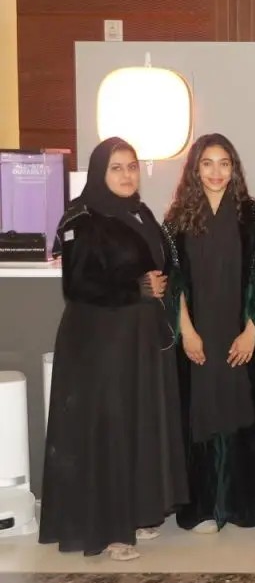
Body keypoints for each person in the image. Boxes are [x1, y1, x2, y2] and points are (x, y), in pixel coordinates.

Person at [39, 137, 187, 561]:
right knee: (109, 429)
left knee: (135, 426)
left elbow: (160, 263)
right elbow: (77, 285)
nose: (127, 175)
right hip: (98, 343)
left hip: (137, 340)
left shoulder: (140, 212)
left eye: (132, 166)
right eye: (116, 168)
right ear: (100, 172)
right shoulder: (82, 218)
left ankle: (135, 515)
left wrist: (158, 285)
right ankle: (109, 531)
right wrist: (137, 287)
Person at [164, 133, 255, 534]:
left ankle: (240, 506)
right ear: (195, 168)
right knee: (200, 419)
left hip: (240, 338)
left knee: (240, 418)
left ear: (235, 168)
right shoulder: (177, 219)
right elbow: (172, 281)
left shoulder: (254, 217)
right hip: (197, 339)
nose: (216, 172)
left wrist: (252, 332)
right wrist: (187, 332)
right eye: (208, 163)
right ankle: (203, 508)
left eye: (224, 163)